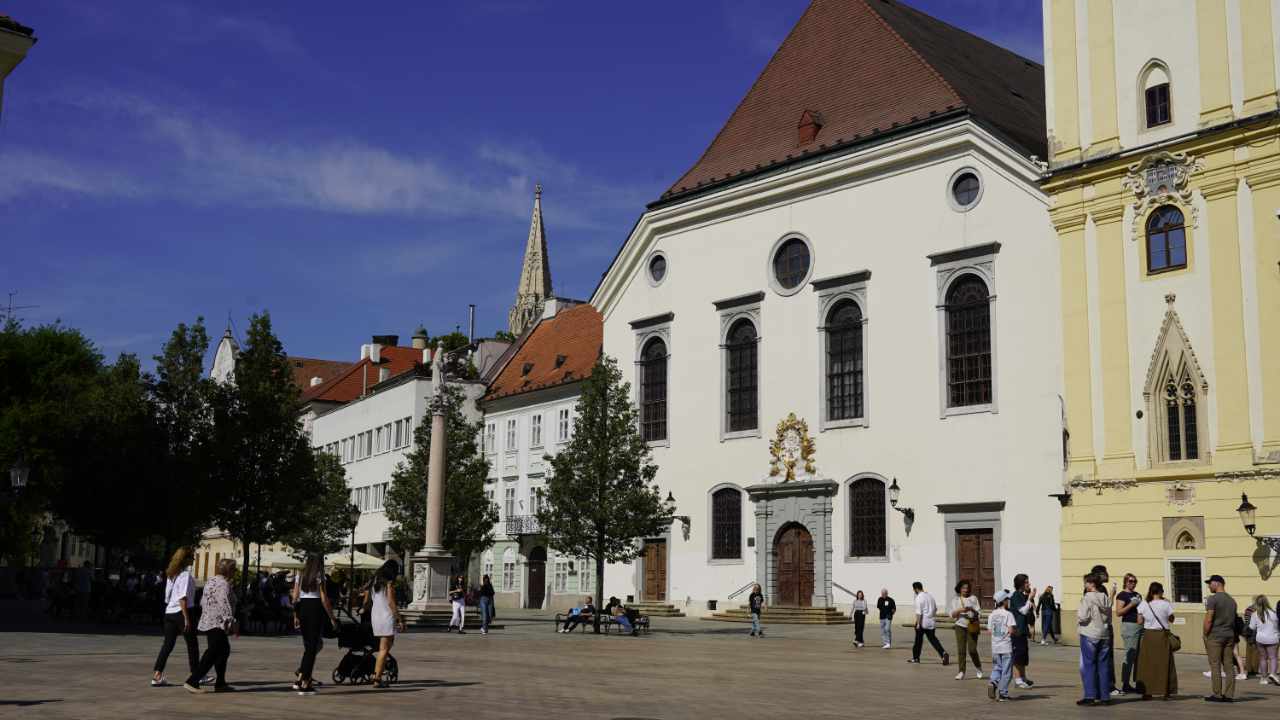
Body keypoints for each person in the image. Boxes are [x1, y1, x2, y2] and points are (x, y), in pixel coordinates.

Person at [184, 558, 238, 694]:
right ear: (229, 570)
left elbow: (203, 601)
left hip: (209, 620)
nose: (235, 572)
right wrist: (231, 621)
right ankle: (193, 681)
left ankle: (220, 683)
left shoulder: (211, 581)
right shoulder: (223, 584)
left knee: (223, 650)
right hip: (217, 622)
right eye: (234, 569)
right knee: (213, 652)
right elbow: (223, 603)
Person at [152, 547, 200, 687]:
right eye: (192, 557)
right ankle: (195, 674)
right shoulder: (185, 575)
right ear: (185, 559)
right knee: (192, 644)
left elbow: (167, 597)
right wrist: (186, 617)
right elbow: (183, 598)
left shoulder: (171, 574)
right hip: (182, 611)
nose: (193, 559)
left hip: (169, 612)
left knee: (167, 644)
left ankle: (157, 675)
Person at [292, 554, 338, 696]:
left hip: (303, 607)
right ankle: (305, 683)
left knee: (309, 646)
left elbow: (295, 597)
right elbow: (324, 598)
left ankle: (301, 678)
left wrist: (296, 615)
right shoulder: (319, 576)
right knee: (312, 647)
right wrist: (332, 617)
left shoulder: (301, 575)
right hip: (315, 608)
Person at [365, 560, 405, 689]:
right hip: (386, 616)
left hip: (375, 616)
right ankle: (377, 678)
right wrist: (400, 619)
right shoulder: (389, 583)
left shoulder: (374, 581)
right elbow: (391, 602)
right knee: (384, 649)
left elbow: (370, 599)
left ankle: (376, 674)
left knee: (384, 647)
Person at [1134, 581, 1177, 700]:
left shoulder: (1144, 604)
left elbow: (1139, 622)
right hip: (1162, 636)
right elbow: (1172, 619)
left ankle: (1147, 692)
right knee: (1165, 664)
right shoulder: (1165, 604)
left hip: (1148, 636)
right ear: (1160, 591)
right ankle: (1165, 692)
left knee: (1147, 664)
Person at [1077, 572, 1114, 706]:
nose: (1085, 585)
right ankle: (1105, 697)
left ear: (1092, 584)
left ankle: (1090, 696)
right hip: (1104, 633)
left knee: (1089, 665)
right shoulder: (1104, 596)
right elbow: (1109, 614)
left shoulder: (1088, 597)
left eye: (1086, 582)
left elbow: (1083, 617)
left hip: (1089, 633)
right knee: (1103, 666)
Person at [1203, 574, 1238, 702]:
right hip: (1229, 635)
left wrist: (1205, 634)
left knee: (1215, 665)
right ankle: (1229, 695)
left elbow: (1209, 618)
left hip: (1215, 635)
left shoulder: (1213, 599)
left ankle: (1217, 694)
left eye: (1210, 583)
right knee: (1229, 665)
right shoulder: (1232, 600)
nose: (1208, 586)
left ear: (1217, 583)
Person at [1115, 573, 1143, 695]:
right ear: (1125, 582)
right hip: (1129, 626)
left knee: (1140, 656)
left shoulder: (1138, 595)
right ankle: (1125, 683)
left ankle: (1138, 682)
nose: (1133, 583)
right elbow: (1118, 612)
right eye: (1130, 581)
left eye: (1135, 581)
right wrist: (1131, 604)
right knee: (1130, 655)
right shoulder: (1122, 595)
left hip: (1141, 626)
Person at [949, 580, 983, 680]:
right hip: (959, 626)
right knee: (961, 650)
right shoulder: (955, 600)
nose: (966, 590)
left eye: (967, 588)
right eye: (963, 588)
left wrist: (972, 610)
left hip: (971, 625)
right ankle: (961, 671)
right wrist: (960, 610)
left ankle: (978, 667)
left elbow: (979, 612)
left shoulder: (973, 598)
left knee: (972, 650)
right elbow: (952, 615)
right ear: (960, 589)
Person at [909, 581, 949, 665]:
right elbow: (935, 609)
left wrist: (918, 624)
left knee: (918, 641)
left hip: (923, 622)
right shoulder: (930, 596)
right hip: (931, 622)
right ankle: (943, 653)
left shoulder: (919, 598)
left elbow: (919, 613)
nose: (914, 591)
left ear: (916, 589)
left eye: (914, 590)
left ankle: (916, 658)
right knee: (933, 640)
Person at [987, 589, 1014, 702]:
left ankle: (993, 682)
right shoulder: (1008, 614)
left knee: (997, 668)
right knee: (1007, 671)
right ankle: (1003, 693)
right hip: (1006, 647)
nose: (1009, 601)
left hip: (995, 647)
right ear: (1004, 601)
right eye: (1008, 599)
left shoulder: (992, 615)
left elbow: (989, 631)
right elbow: (1011, 630)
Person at [1009, 573, 1035, 688]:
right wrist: (1029, 598)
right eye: (1026, 582)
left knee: (1023, 655)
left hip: (1022, 629)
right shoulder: (1016, 595)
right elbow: (1023, 611)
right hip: (1017, 630)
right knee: (1017, 655)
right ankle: (1018, 679)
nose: (1028, 584)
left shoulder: (1022, 595)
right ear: (1020, 584)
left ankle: (1023, 677)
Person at [1249, 595, 1278, 685]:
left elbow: (1252, 627)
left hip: (1260, 639)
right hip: (1273, 638)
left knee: (1263, 658)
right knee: (1273, 657)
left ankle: (1263, 678)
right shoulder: (1274, 613)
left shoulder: (1255, 614)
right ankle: (1273, 673)